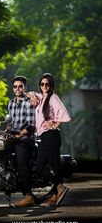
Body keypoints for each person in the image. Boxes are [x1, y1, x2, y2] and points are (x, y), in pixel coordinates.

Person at [28, 73, 71, 206]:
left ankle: (57, 191)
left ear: (51, 85)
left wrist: (54, 125)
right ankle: (58, 189)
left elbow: (65, 114)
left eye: (47, 84)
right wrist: (32, 95)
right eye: (42, 84)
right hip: (43, 137)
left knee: (54, 165)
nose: (44, 86)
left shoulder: (53, 98)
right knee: (39, 167)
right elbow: (29, 93)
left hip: (51, 136)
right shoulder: (41, 98)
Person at [7, 75, 36, 207]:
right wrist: (6, 129)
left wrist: (17, 136)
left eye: (20, 86)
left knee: (22, 165)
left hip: (25, 138)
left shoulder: (28, 102)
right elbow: (12, 122)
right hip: (14, 137)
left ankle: (28, 196)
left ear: (24, 87)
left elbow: (31, 126)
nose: (17, 89)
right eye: (15, 86)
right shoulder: (11, 103)